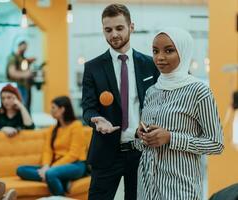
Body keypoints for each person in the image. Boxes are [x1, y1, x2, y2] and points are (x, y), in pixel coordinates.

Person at [81, 4, 160, 200]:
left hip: (141, 150)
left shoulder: (150, 64)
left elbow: (160, 104)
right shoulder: (93, 67)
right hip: (106, 150)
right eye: (108, 30)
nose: (114, 34)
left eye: (119, 28)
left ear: (131, 27)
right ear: (103, 31)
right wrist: (96, 119)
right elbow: (88, 108)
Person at [135, 27, 224, 200]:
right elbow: (144, 147)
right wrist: (141, 136)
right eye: (155, 51)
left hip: (180, 190)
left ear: (183, 51)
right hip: (147, 188)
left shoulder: (199, 91)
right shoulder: (151, 91)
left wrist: (171, 138)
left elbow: (216, 144)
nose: (160, 57)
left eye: (169, 50)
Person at [16, 96, 87, 196]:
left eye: (53, 107)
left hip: (76, 165)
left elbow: (74, 154)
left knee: (51, 173)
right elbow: (47, 151)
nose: (51, 110)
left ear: (62, 109)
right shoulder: (53, 129)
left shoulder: (76, 126)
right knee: (21, 170)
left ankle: (60, 195)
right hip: (54, 165)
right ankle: (63, 181)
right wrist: (45, 166)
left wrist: (50, 169)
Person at [6, 41, 36, 111]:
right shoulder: (13, 57)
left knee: (25, 108)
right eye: (23, 48)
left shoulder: (22, 58)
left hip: (24, 86)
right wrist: (26, 74)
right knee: (20, 108)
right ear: (19, 46)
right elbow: (12, 73)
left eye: (26, 48)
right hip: (18, 86)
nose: (24, 50)